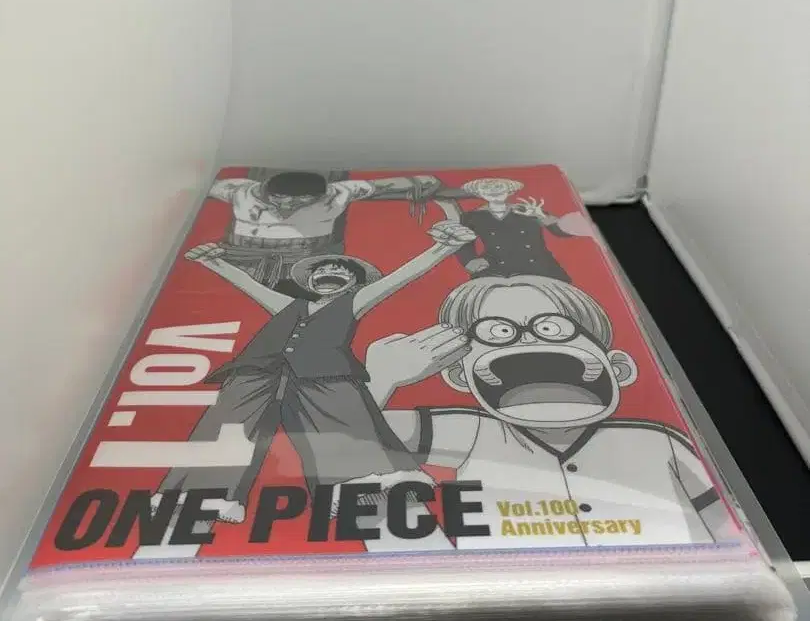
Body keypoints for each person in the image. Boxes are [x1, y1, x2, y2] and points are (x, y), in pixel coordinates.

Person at [365, 276, 738, 549]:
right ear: (460, 376)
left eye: (551, 327)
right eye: (498, 332)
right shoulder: (473, 433)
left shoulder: (660, 443)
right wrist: (379, 380)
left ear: (619, 368)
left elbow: (726, 528)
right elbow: (345, 437)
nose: (528, 341)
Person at [154, 219, 476, 525]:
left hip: (324, 373)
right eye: (322, 269)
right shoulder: (289, 306)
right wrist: (212, 262)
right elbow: (249, 286)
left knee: (344, 418)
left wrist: (443, 248)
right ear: (309, 281)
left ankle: (360, 482)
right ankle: (198, 494)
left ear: (354, 282)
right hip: (258, 370)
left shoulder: (352, 303)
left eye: (340, 270)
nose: (330, 272)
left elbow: (398, 278)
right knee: (228, 423)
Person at [208, 170, 457, 296]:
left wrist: (422, 183)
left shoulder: (338, 193)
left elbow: (393, 184)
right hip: (243, 259)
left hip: (304, 264)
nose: (288, 206)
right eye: (280, 199)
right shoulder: (239, 190)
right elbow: (202, 185)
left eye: (301, 200)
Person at [452, 178, 594, 282]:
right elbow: (463, 242)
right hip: (497, 267)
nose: (494, 191)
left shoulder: (529, 208)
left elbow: (561, 232)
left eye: (499, 187)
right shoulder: (472, 216)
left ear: (509, 191)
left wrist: (541, 215)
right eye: (487, 188)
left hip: (539, 267)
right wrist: (470, 260)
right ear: (479, 193)